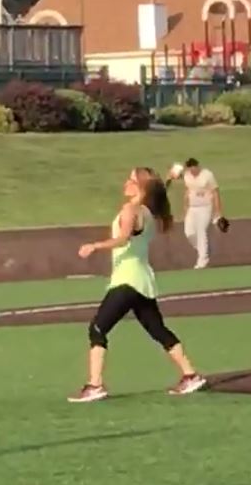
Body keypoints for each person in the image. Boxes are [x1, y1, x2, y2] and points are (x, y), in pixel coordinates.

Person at [69, 167, 207, 403]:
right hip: (143, 282)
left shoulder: (131, 209)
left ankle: (95, 385)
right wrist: (168, 180)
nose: (125, 183)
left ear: (140, 187)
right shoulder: (148, 213)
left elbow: (123, 238)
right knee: (158, 330)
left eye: (131, 180)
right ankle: (190, 375)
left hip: (127, 281)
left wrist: (94, 246)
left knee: (98, 328)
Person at [167, 158, 223, 269]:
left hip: (205, 207)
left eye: (194, 168)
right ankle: (204, 250)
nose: (192, 171)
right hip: (192, 208)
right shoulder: (187, 176)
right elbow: (175, 181)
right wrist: (172, 172)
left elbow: (215, 192)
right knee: (189, 233)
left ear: (197, 166)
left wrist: (218, 212)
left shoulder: (207, 175)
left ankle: (202, 260)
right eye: (190, 169)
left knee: (201, 231)